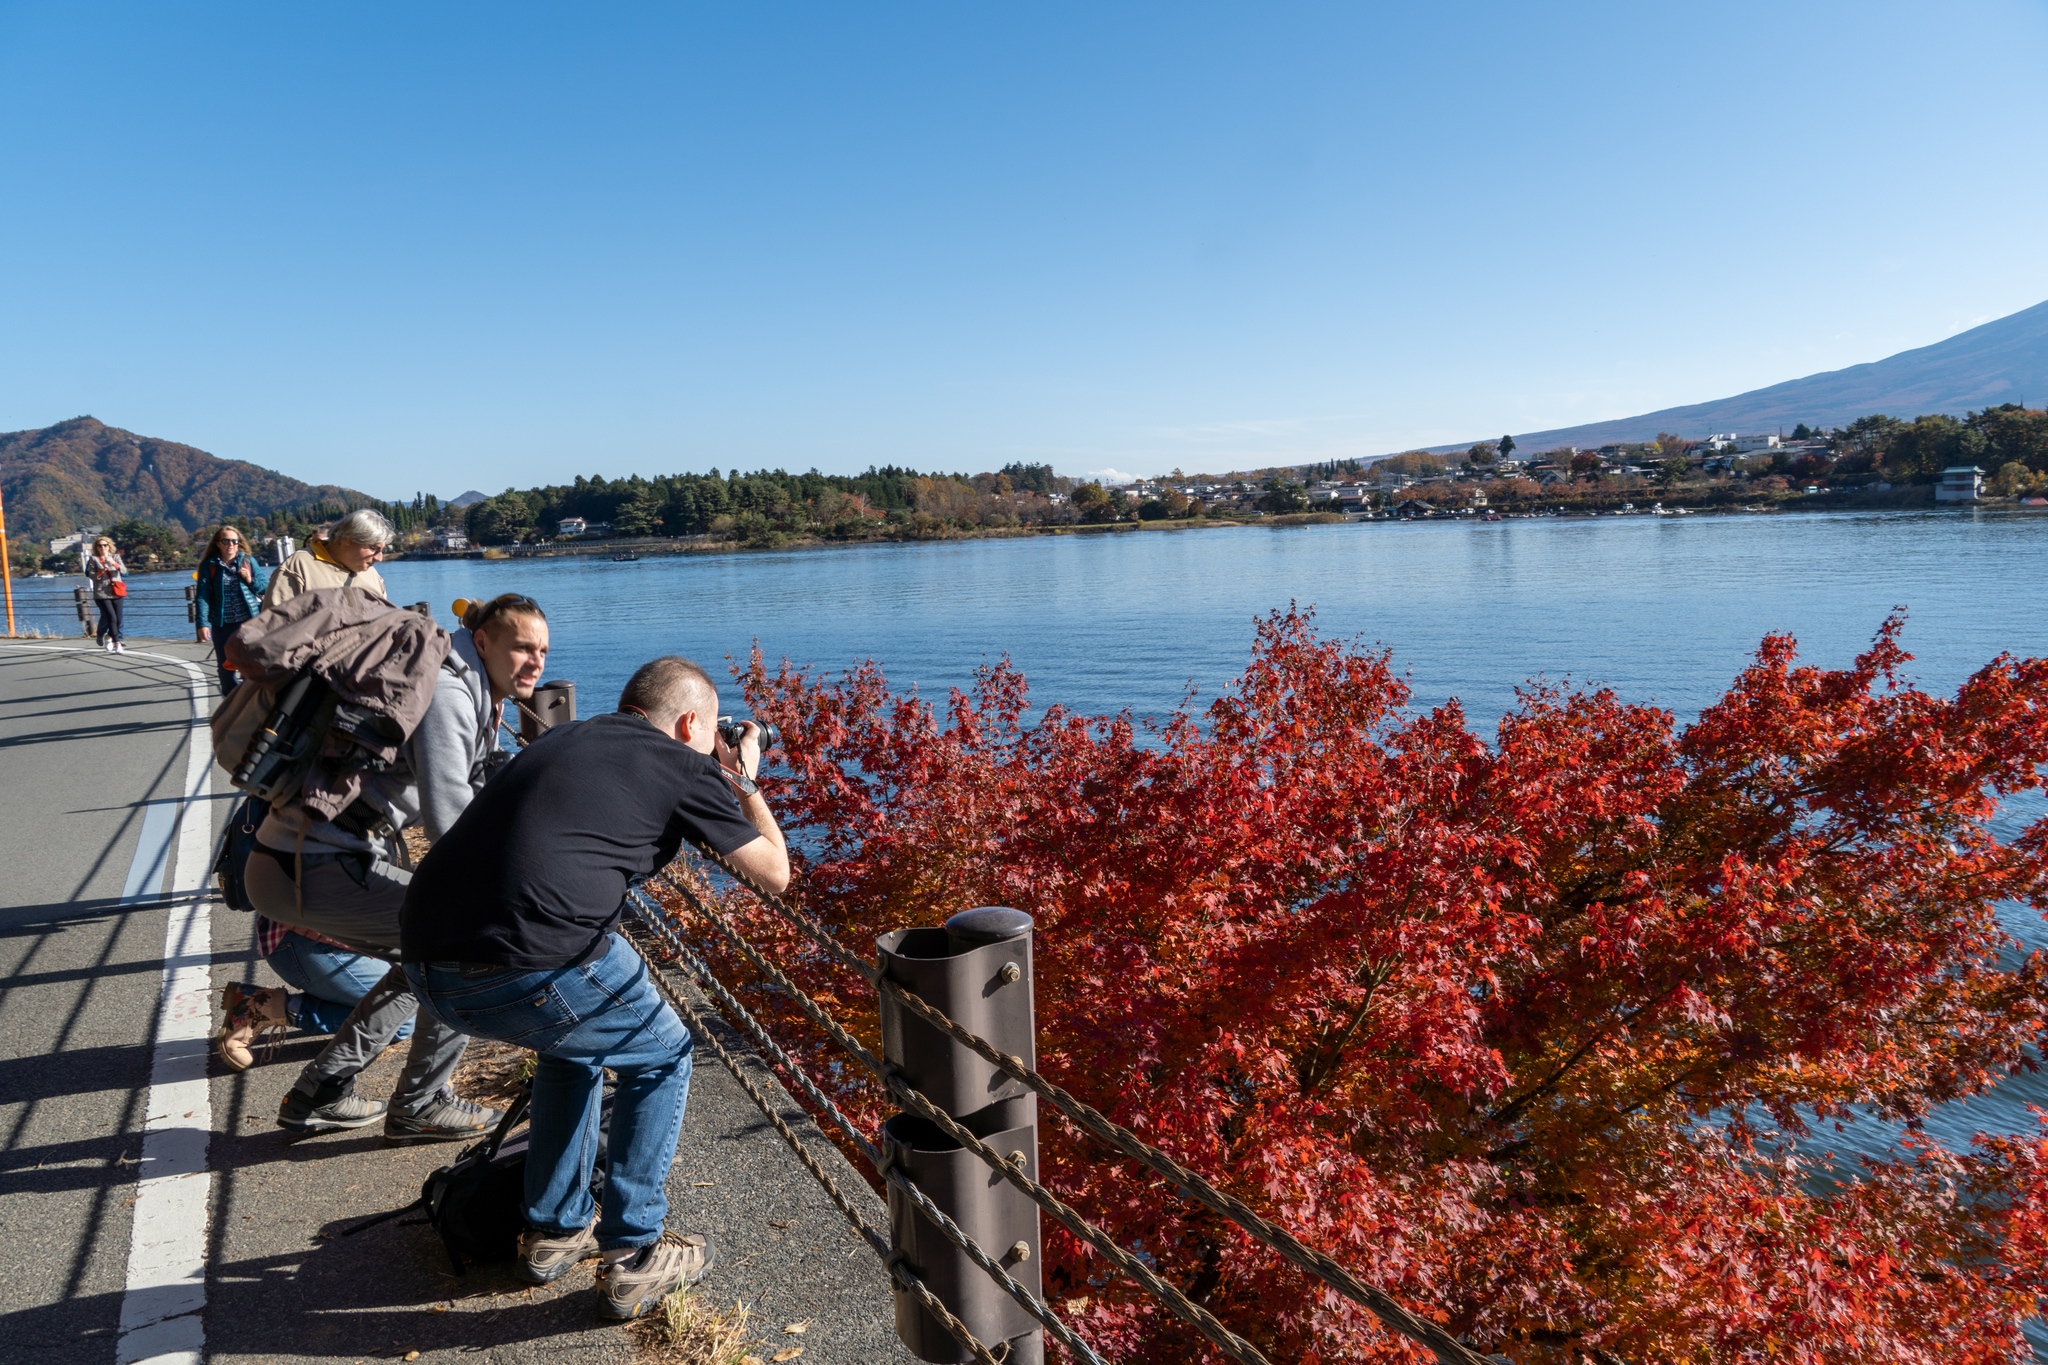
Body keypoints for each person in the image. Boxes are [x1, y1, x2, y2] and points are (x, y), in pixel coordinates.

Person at [402, 656, 789, 1319]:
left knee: (574, 1043)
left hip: (425, 969)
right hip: (524, 967)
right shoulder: (685, 763)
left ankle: (552, 1230)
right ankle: (635, 1256)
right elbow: (774, 872)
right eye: (708, 732)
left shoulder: (562, 735)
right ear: (693, 721)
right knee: (664, 1049)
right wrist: (743, 779)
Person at [240, 593, 550, 1143]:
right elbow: (449, 821)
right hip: (311, 865)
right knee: (462, 945)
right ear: (482, 642)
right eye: (522, 646)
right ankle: (421, 1103)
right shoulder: (451, 692)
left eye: (543, 650)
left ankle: (322, 1089)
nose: (536, 662)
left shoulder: (461, 681)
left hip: (301, 860)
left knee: (421, 959)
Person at [215, 919, 417, 1069]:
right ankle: (265, 1007)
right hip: (309, 942)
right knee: (400, 1017)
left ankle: (281, 1003)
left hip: (336, 940)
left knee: (409, 1000)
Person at [263, 508, 391, 608]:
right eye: (374, 548)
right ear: (348, 539)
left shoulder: (371, 574)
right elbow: (275, 631)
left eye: (382, 550)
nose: (379, 558)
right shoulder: (298, 567)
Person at [196, 525, 269, 693]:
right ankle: (231, 705)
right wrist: (202, 624)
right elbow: (202, 596)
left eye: (235, 541)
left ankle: (249, 704)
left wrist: (250, 579)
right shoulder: (210, 566)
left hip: (249, 622)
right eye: (226, 541)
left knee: (251, 665)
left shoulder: (248, 561)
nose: (231, 544)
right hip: (223, 624)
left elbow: (265, 587)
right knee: (226, 668)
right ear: (218, 544)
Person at [84, 536, 127, 652]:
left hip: (117, 591)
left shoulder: (116, 557)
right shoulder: (93, 559)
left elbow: (125, 572)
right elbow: (89, 575)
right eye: (100, 545)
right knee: (111, 617)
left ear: (109, 546)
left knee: (118, 619)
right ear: (96, 548)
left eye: (105, 545)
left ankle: (108, 637)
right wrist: (101, 571)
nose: (103, 547)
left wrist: (114, 563)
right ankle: (117, 643)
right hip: (101, 593)